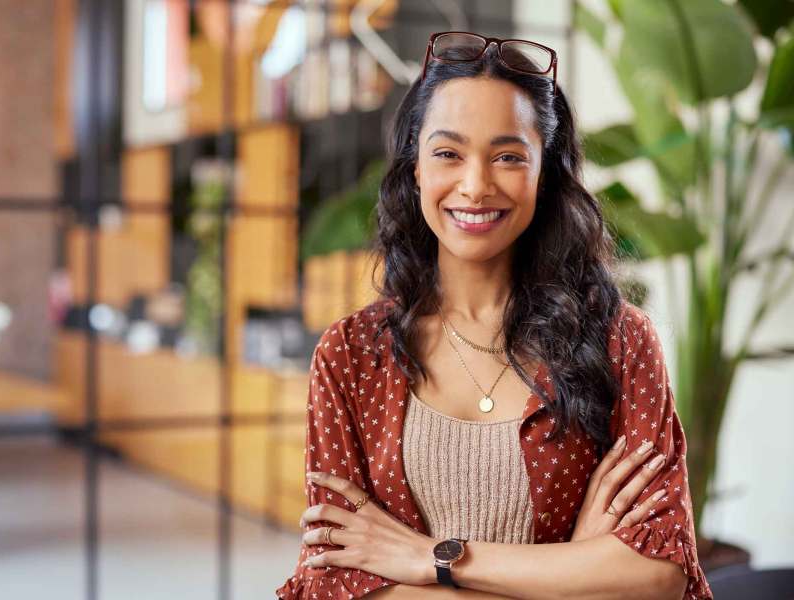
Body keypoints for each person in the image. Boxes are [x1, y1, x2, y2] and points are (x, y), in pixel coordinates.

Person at [276, 31, 712, 599]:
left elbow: (658, 576)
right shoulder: (350, 355)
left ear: (544, 174)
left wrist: (425, 558)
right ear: (415, 170)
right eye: (447, 153)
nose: (476, 185)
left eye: (508, 156)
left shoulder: (619, 340)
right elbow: (333, 582)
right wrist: (574, 569)